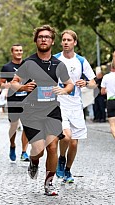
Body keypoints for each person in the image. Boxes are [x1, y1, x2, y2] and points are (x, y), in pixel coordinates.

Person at [11, 25, 74, 196]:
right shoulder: (29, 63)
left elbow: (70, 84)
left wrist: (64, 90)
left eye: (47, 37)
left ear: (52, 41)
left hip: (52, 109)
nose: (43, 39)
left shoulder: (58, 64)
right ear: (36, 40)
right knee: (38, 150)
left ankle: (49, 183)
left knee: (52, 147)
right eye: (40, 37)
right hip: (31, 112)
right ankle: (34, 162)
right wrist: (23, 87)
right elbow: (14, 82)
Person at [54, 29, 96, 183]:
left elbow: (93, 83)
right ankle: (61, 158)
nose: (65, 42)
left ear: (75, 42)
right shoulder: (55, 59)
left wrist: (85, 83)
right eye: (63, 40)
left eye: (69, 40)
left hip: (76, 105)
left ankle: (68, 170)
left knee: (74, 141)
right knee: (66, 136)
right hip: (59, 104)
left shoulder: (81, 61)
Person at [0, 44, 29, 162]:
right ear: (12, 52)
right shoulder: (6, 67)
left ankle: (24, 152)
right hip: (13, 101)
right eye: (16, 50)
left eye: (21, 50)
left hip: (26, 100)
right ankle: (12, 146)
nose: (19, 52)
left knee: (26, 126)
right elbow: (0, 84)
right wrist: (6, 85)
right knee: (13, 126)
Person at [101, 60, 115, 138]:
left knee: (113, 125)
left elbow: (102, 91)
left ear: (111, 68)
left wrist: (107, 90)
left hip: (111, 101)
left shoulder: (106, 77)